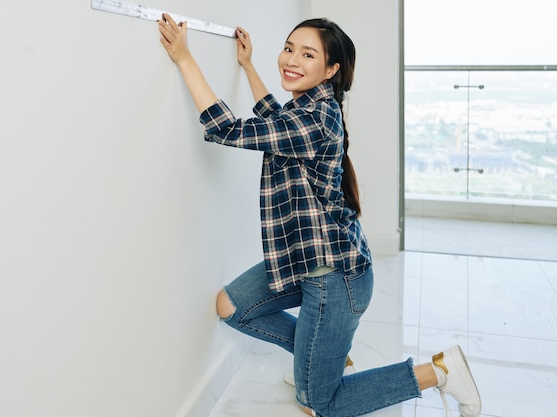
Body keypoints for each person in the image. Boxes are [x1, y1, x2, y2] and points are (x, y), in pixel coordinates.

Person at [158, 14, 481, 417]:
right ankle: (321, 359)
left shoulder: (314, 119)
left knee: (319, 404)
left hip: (335, 280)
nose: (291, 60)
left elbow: (228, 128)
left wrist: (185, 58)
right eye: (289, 48)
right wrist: (248, 66)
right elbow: (273, 116)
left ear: (330, 70)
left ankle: (440, 371)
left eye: (308, 54)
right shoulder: (309, 107)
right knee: (231, 306)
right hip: (307, 262)